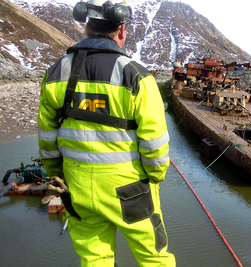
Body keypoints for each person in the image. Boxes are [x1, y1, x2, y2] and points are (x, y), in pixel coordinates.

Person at [37, 0, 175, 266]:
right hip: (131, 191)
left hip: (76, 187)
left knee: (95, 259)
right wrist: (155, 178)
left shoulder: (55, 74)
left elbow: (47, 139)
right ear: (121, 31)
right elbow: (155, 143)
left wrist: (58, 172)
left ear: (87, 28)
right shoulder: (138, 77)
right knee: (154, 257)